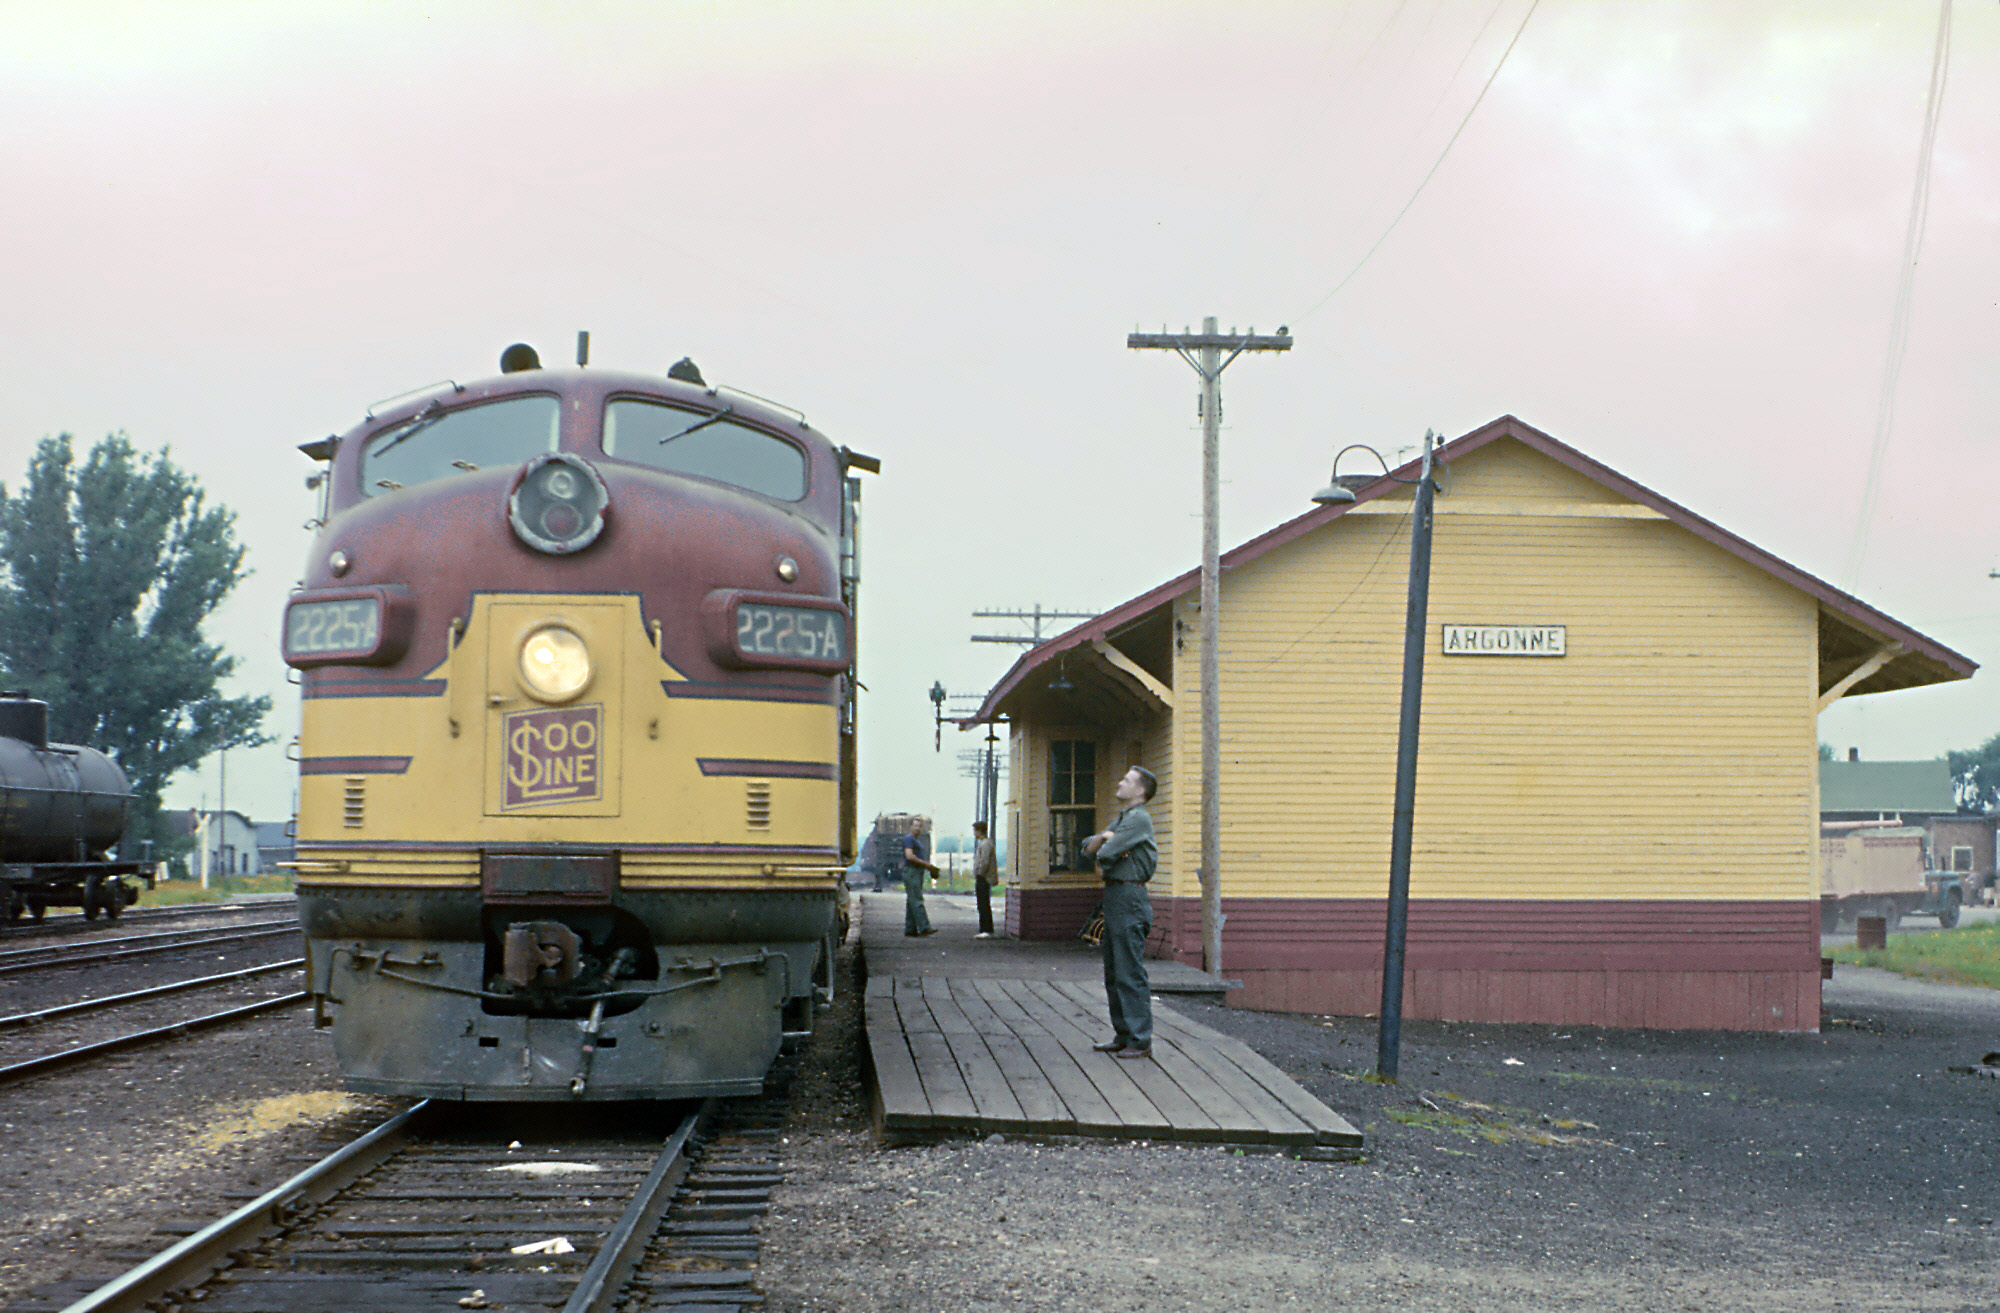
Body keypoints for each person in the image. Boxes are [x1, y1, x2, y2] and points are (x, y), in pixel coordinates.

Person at [1083, 766, 1157, 1059]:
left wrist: (1107, 843)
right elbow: (1089, 849)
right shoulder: (1124, 818)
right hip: (1116, 893)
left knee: (1129, 970)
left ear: (1140, 790)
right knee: (1114, 970)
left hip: (1130, 895)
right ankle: (1123, 1034)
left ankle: (1139, 1040)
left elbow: (1101, 854)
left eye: (1126, 780)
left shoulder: (1139, 819)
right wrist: (1107, 838)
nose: (1119, 782)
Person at [900, 816, 938, 937]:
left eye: (919, 826)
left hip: (916, 871)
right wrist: (927, 865)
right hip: (912, 871)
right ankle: (924, 927)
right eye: (915, 826)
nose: (917, 828)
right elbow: (909, 856)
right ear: (910, 826)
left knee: (912, 900)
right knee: (916, 899)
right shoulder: (909, 839)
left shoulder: (916, 840)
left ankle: (910, 929)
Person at [971, 820, 999, 937]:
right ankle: (985, 929)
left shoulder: (985, 844)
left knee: (983, 904)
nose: (974, 833)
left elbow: (985, 861)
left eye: (975, 830)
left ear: (979, 831)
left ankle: (986, 929)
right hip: (984, 877)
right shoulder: (985, 843)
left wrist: (979, 873)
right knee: (982, 903)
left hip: (984, 878)